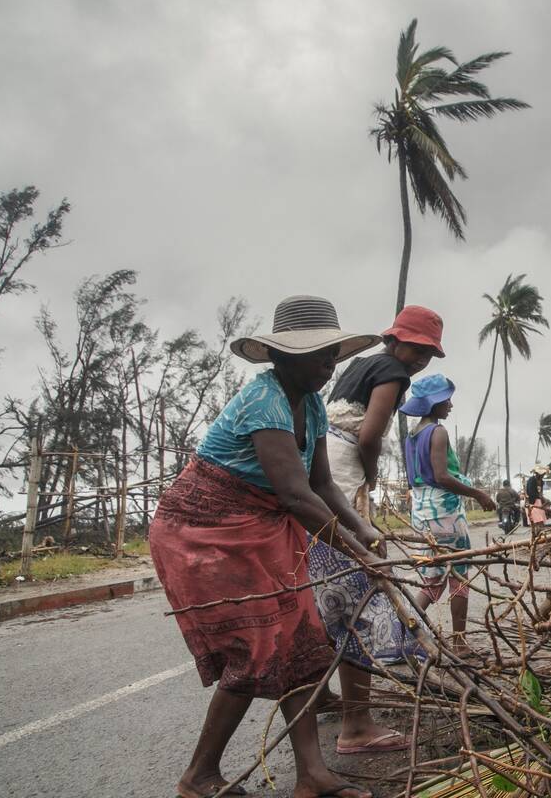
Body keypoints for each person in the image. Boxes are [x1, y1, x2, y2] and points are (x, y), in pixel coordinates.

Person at [150, 295, 381, 798]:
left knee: (299, 639)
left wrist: (363, 530)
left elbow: (323, 484)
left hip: (263, 525)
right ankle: (199, 776)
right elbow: (296, 494)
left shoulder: (314, 404)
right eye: (319, 353)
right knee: (257, 647)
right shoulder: (265, 399)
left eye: (333, 352)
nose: (330, 362)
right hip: (205, 528)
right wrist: (354, 551)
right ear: (283, 357)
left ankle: (312, 774)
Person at [306, 306, 443, 754]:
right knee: (357, 597)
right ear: (396, 340)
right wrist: (371, 477)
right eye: (418, 348)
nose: (421, 359)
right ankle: (356, 726)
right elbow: (369, 437)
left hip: (321, 471)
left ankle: (324, 697)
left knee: (325, 594)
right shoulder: (392, 371)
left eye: (429, 353)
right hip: (342, 475)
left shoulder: (359, 364)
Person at [400, 374, 496, 657]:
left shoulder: (412, 435)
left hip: (423, 511)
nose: (451, 404)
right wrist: (477, 493)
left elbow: (415, 479)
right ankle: (459, 642)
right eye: (446, 400)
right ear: (433, 403)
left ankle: (405, 636)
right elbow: (441, 476)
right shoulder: (438, 432)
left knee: (432, 577)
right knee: (459, 575)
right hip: (446, 511)